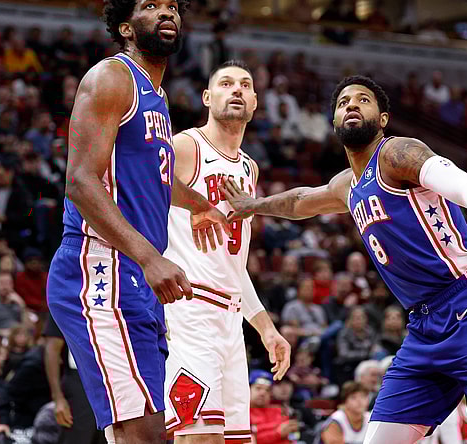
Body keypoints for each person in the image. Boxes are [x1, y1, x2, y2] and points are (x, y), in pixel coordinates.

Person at [222, 75, 467, 443]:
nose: (351, 105)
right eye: (343, 101)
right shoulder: (346, 186)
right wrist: (253, 205)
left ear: (382, 119)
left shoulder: (398, 154)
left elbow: (465, 186)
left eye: (363, 100)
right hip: (424, 326)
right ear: (333, 120)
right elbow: (300, 202)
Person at [46, 1, 228, 443]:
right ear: (126, 26)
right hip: (101, 266)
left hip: (136, 275)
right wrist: (150, 257)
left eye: (172, 6)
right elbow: (80, 182)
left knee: (140, 432)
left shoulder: (157, 96)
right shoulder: (112, 78)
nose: (167, 12)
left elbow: (154, 179)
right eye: (151, 5)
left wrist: (200, 203)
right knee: (145, 433)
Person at [161, 60, 291, 444]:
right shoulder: (187, 146)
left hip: (231, 321)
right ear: (207, 97)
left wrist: (266, 330)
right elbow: (133, 180)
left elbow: (233, 266)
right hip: (189, 308)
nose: (236, 89)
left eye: (245, 85)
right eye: (226, 83)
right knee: (199, 438)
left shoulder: (249, 168)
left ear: (254, 101)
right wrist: (195, 203)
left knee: (236, 440)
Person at [43, 313, 105, 444]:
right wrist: (58, 398)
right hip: (79, 380)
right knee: (78, 438)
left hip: (112, 379)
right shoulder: (65, 297)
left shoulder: (115, 298)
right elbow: (52, 350)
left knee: (109, 438)